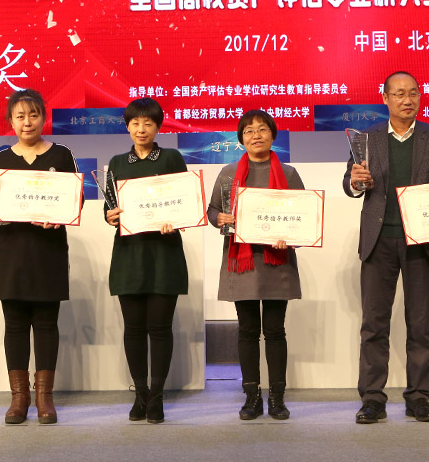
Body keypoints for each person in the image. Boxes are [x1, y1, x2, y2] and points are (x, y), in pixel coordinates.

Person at [342, 70, 429, 425]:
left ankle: (419, 397)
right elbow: (350, 184)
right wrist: (356, 182)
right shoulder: (366, 138)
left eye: (412, 93)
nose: (406, 100)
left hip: (421, 241)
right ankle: (372, 399)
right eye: (398, 94)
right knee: (374, 324)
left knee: (421, 324)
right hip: (378, 240)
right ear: (385, 98)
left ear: (420, 96)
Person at [0, 90, 80, 425]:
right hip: (11, 252)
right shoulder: (1, 158)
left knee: (46, 324)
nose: (27, 122)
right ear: (11, 122)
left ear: (44, 118)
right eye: (20, 116)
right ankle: (19, 398)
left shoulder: (62, 154)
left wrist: (60, 216)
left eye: (33, 115)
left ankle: (44, 398)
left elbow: (75, 200)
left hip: (48, 251)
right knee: (14, 325)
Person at [207, 110, 303, 420]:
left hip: (277, 261)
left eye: (262, 129)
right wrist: (220, 218)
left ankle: (277, 398)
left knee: (275, 331)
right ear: (241, 139)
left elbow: (302, 217)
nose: (256, 135)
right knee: (247, 330)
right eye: (248, 131)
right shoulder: (228, 173)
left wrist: (290, 235)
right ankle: (251, 397)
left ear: (273, 135)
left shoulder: (288, 173)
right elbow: (213, 211)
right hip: (242, 261)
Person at [103, 98, 188, 424]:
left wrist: (175, 219)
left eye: (148, 123)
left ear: (158, 127)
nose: (141, 129)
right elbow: (109, 208)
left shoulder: (170, 157)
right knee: (134, 329)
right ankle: (140, 394)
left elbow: (184, 202)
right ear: (127, 126)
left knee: (160, 328)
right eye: (135, 123)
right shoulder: (117, 162)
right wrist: (110, 215)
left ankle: (157, 397)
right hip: (130, 254)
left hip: (164, 254)